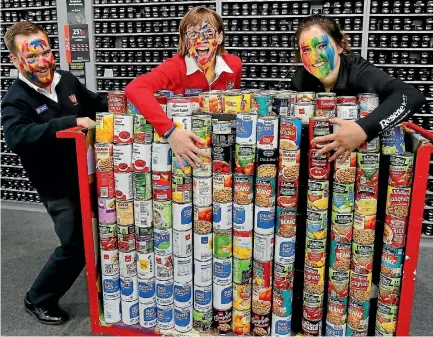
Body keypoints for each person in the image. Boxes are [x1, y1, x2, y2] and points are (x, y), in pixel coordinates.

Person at [1, 21, 107, 324]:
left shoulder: (66, 80)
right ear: (14, 59)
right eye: (31, 56)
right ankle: (38, 298)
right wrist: (69, 124)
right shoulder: (16, 99)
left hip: (85, 175)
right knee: (74, 244)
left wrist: (126, 100)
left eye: (45, 51)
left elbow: (93, 102)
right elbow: (17, 136)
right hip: (56, 186)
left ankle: (102, 284)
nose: (42, 61)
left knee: (101, 232)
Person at [291, 15, 427, 162]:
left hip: (366, 161)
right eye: (306, 50)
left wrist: (363, 129)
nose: (314, 57)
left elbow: (411, 95)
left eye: (322, 46)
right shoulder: (299, 82)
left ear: (339, 45)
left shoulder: (358, 71)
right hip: (320, 163)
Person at [125, 7, 242, 169]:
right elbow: (135, 88)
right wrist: (170, 132)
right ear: (184, 40)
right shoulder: (175, 67)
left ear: (220, 37)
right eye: (193, 34)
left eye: (209, 33)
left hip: (221, 145)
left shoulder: (234, 65)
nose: (201, 40)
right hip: (181, 146)